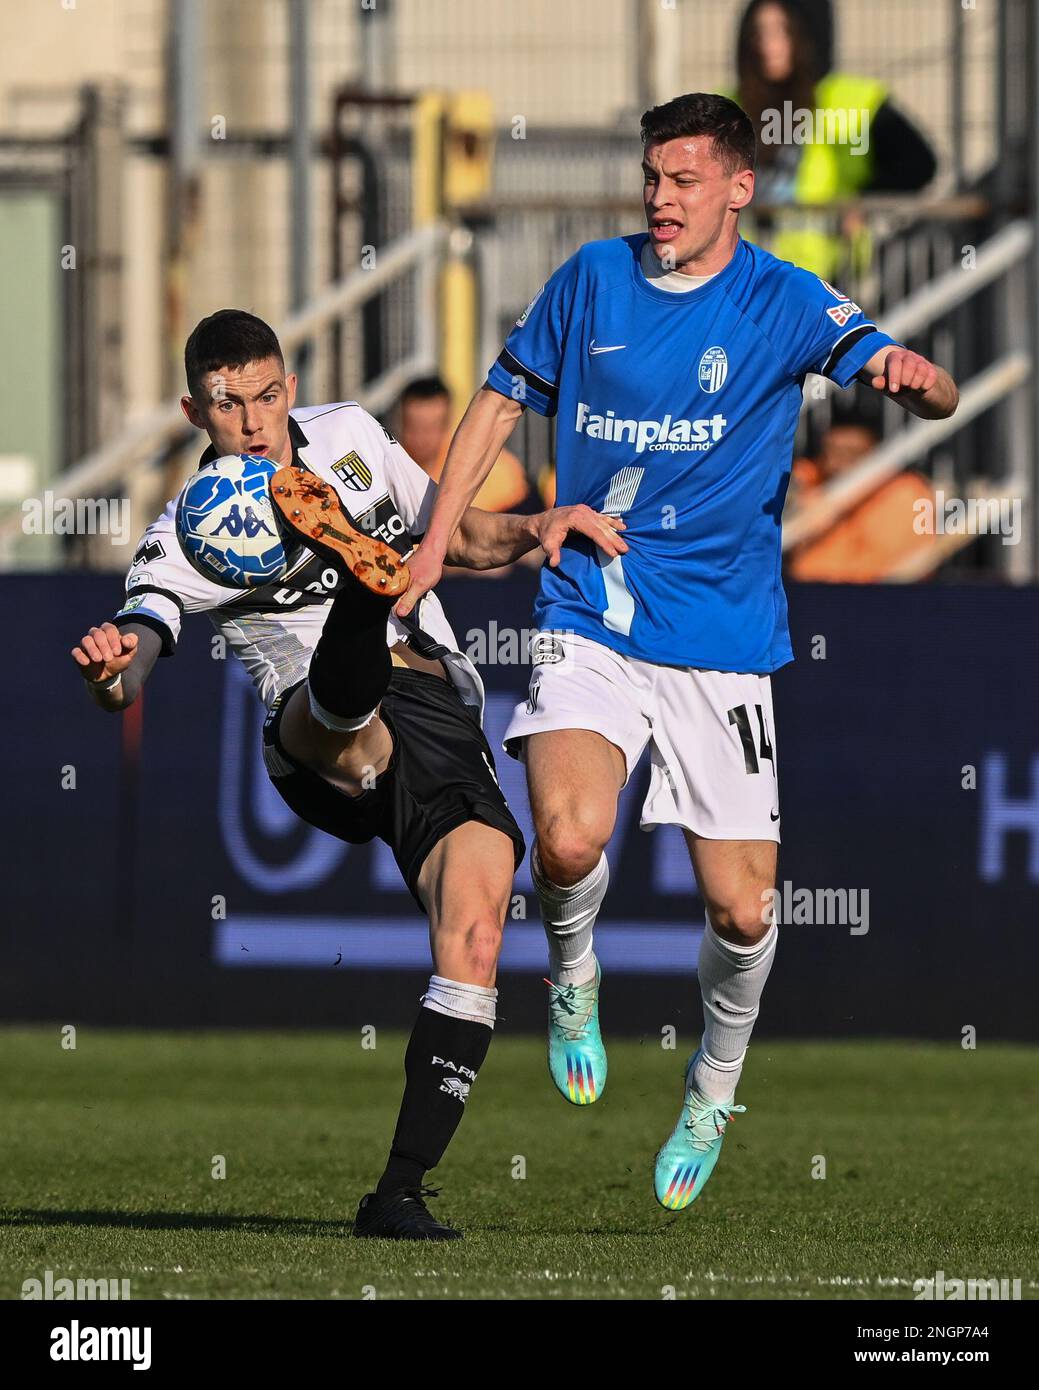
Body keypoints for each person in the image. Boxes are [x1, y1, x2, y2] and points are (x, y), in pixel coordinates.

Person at [396, 93, 957, 1210]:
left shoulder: (783, 298)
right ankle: (572, 972)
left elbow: (919, 380)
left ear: (739, 189)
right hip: (592, 609)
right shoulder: (590, 283)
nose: (659, 198)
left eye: (684, 179)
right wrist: (427, 546)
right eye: (652, 177)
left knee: (744, 912)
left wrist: (915, 380)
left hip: (723, 642)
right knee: (563, 839)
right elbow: (499, 410)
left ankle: (711, 1083)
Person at [70, 309, 624, 1240]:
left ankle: (396, 1195)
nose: (253, 419)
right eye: (227, 404)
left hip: (442, 710)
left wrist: (539, 524)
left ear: (289, 385)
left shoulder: (352, 438)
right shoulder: (190, 531)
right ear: (192, 410)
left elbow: (456, 538)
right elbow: (137, 662)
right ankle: (362, 605)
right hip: (315, 745)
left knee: (478, 935)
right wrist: (110, 671)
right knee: (345, 723)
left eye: (266, 394)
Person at [735, 0, 937, 280]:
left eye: (782, 31)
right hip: (748, 275)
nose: (767, 46)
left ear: (805, 35)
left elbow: (919, 163)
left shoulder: (854, 100)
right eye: (759, 33)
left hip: (830, 274)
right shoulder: (729, 104)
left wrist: (863, 202)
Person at [786, 407, 938, 582]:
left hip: (876, 596)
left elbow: (907, 563)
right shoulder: (807, 479)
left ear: (874, 453)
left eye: (852, 453)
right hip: (809, 590)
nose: (838, 464)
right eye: (831, 452)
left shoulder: (905, 491)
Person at [395, 375, 534, 514]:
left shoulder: (486, 465)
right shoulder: (390, 465)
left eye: (430, 429)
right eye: (412, 427)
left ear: (447, 424)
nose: (420, 439)